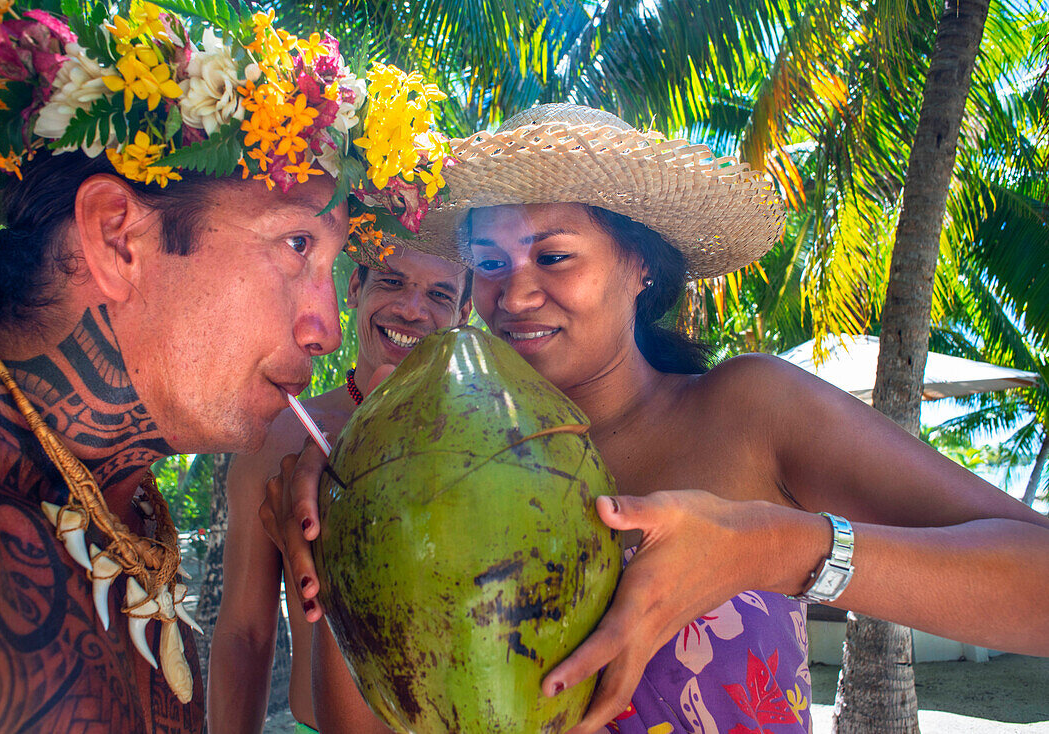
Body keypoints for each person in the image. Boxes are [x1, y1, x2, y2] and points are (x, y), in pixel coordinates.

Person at [262, 104, 1049, 734]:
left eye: (555, 255)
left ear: (641, 264)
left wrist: (772, 548)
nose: (516, 293)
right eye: (491, 264)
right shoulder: (418, 460)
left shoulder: (749, 410)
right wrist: (339, 528)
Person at [0, 1, 446, 729]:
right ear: (119, 237)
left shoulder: (126, 505)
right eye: (297, 246)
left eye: (333, 268)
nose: (326, 329)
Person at [208, 244, 472, 734]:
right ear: (354, 288)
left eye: (439, 293)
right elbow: (245, 632)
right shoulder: (281, 437)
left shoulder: (487, 444)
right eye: (391, 281)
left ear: (464, 314)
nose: (412, 310)